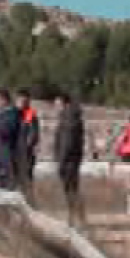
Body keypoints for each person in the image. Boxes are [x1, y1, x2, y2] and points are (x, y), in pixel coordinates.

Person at [52, 92, 86, 224]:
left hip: (68, 160)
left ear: (64, 103)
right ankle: (77, 218)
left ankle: (75, 219)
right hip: (72, 158)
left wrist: (61, 161)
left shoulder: (69, 118)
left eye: (57, 104)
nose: (56, 107)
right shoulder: (71, 117)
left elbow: (67, 142)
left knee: (71, 189)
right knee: (72, 189)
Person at [0, 89, 22, 190]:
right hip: (0, 152)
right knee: (1, 181)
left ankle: (10, 202)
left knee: (9, 182)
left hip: (8, 153)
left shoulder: (13, 113)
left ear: (5, 100)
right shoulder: (2, 114)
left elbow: (7, 131)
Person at [17, 89, 41, 195]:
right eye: (20, 100)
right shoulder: (14, 112)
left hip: (25, 152)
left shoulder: (29, 113)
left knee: (26, 180)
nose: (22, 103)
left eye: (24, 101)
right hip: (15, 151)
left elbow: (33, 133)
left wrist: (26, 147)